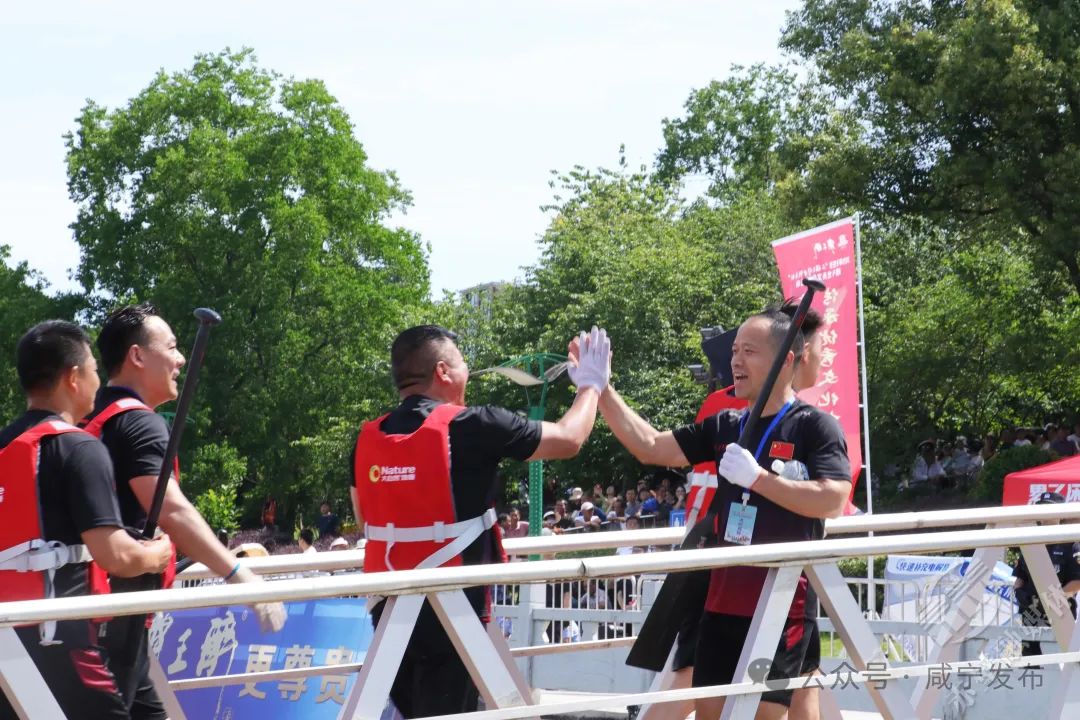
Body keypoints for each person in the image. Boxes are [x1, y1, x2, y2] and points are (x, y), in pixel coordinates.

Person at [585, 308, 849, 720]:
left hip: (780, 604)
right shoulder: (725, 425)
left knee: (761, 714)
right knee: (711, 712)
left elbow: (833, 498)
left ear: (786, 360)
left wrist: (758, 479)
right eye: (734, 351)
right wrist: (602, 389)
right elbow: (651, 446)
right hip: (722, 600)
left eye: (749, 351)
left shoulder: (814, 427)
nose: (735, 361)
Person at [351, 324, 609, 718]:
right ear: (443, 372)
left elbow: (363, 518)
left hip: (387, 609)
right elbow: (569, 438)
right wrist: (590, 385)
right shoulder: (476, 425)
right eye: (463, 363)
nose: (468, 372)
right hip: (454, 612)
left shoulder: (368, 438)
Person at [83, 303, 285, 720]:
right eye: (172, 347)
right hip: (115, 615)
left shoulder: (90, 417)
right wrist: (240, 575)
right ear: (137, 356)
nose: (179, 359)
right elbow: (171, 510)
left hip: (99, 611)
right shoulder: (140, 424)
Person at [0, 320, 174, 720]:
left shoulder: (5, 446)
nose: (99, 381)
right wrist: (158, 554)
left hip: (7, 639)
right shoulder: (80, 448)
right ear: (73, 377)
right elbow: (115, 555)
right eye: (94, 370)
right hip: (60, 642)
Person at [1011, 491, 1080, 656]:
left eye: (1050, 509)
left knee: (1061, 663)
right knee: (1030, 662)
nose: (1045, 514)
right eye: (1041, 508)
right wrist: (1019, 592)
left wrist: (1052, 601)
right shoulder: (1030, 542)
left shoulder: (1071, 544)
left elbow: (1077, 581)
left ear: (1061, 514)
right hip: (1030, 614)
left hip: (1060, 614)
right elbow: (1020, 577)